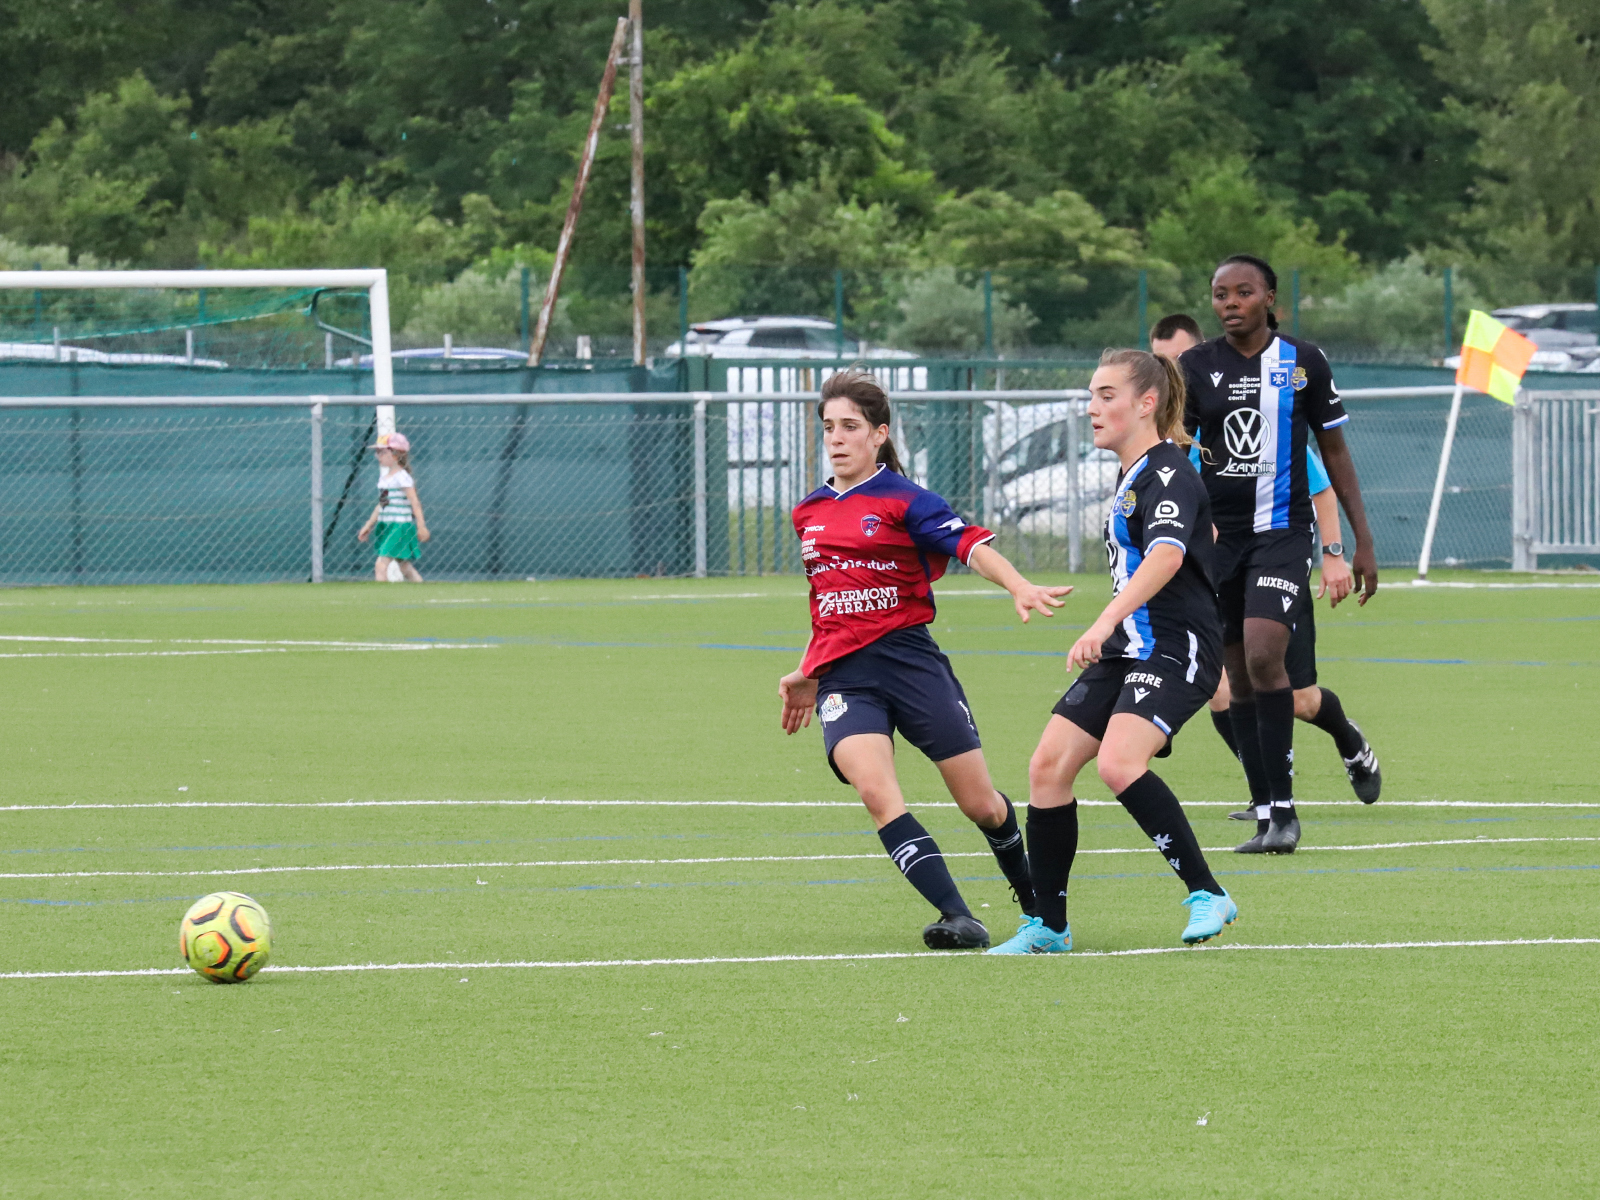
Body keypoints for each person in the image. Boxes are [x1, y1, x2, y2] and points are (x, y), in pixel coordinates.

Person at [778, 368, 1073, 950]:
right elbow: (829, 606)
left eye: (850, 427)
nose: (836, 438)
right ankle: (959, 915)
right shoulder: (808, 512)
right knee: (876, 793)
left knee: (981, 805)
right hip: (846, 679)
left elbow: (972, 546)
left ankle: (1038, 908)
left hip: (913, 666)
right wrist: (808, 671)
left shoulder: (906, 500)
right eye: (828, 427)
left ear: (879, 433)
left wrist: (1017, 585)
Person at [989, 349, 1236, 954]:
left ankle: (1208, 893)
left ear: (1145, 403)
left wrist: (1102, 621)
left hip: (1175, 647)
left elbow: (1168, 556)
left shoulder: (1170, 470)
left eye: (1105, 396)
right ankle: (1049, 925)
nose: (1092, 408)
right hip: (1132, 647)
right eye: (1091, 396)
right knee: (1047, 768)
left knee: (1119, 764)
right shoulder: (1135, 476)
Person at [1179, 257, 1378, 855]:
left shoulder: (1304, 361)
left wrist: (1358, 542)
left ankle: (1286, 815)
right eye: (1219, 294)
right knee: (1236, 676)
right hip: (1219, 541)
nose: (1230, 302)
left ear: (1270, 298)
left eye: (1244, 291)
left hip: (1283, 536)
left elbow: (1335, 450)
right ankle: (1265, 809)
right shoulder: (1195, 366)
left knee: (1267, 657)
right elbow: (1177, 451)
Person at [357, 431, 430, 582]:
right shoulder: (384, 479)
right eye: (377, 452)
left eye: (382, 452)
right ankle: (423, 591)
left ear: (396, 455)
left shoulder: (403, 477)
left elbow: (414, 502)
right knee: (404, 566)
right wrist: (368, 525)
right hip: (387, 526)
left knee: (381, 564)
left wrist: (421, 526)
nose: (378, 456)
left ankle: (382, 599)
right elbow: (382, 504)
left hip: (399, 527)